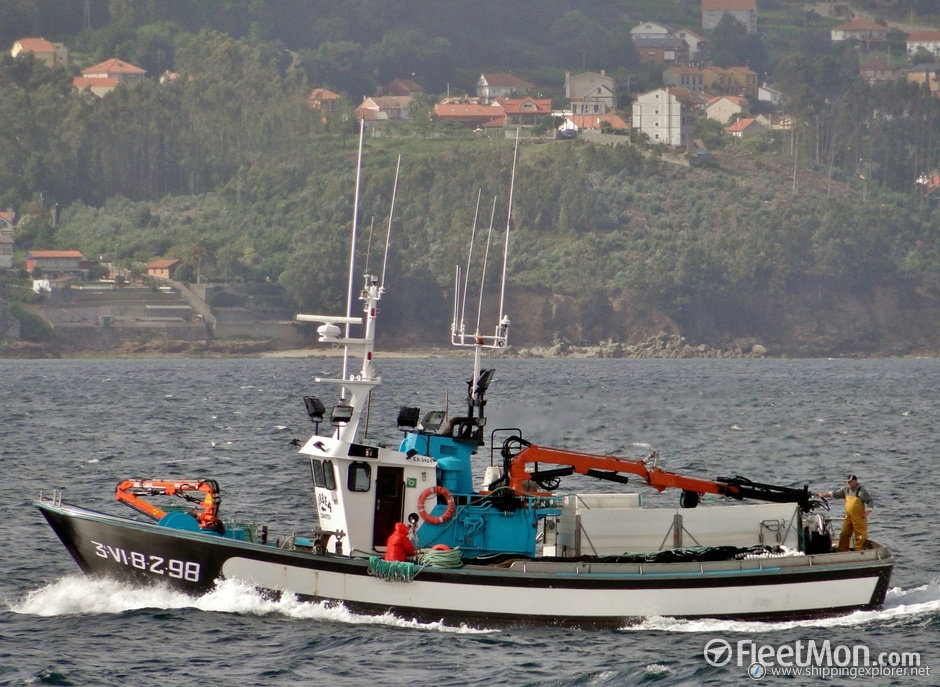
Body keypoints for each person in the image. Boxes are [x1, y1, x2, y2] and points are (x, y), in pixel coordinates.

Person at [818, 474, 874, 552]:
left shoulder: (861, 491)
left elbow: (870, 501)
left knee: (860, 536)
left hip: (859, 517)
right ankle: (842, 551)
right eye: (847, 482)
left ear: (855, 481)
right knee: (844, 534)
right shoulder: (845, 490)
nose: (848, 483)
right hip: (848, 517)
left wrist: (867, 512)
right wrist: (823, 495)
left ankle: (859, 552)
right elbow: (835, 493)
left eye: (850, 482)